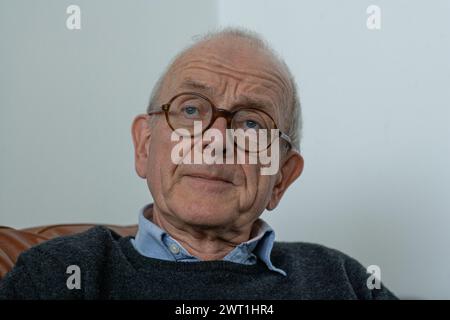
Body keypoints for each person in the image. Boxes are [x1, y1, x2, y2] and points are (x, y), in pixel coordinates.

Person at [0, 28, 397, 299]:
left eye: (252, 123)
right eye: (190, 108)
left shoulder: (344, 281)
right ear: (144, 145)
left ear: (282, 178)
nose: (216, 138)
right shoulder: (59, 274)